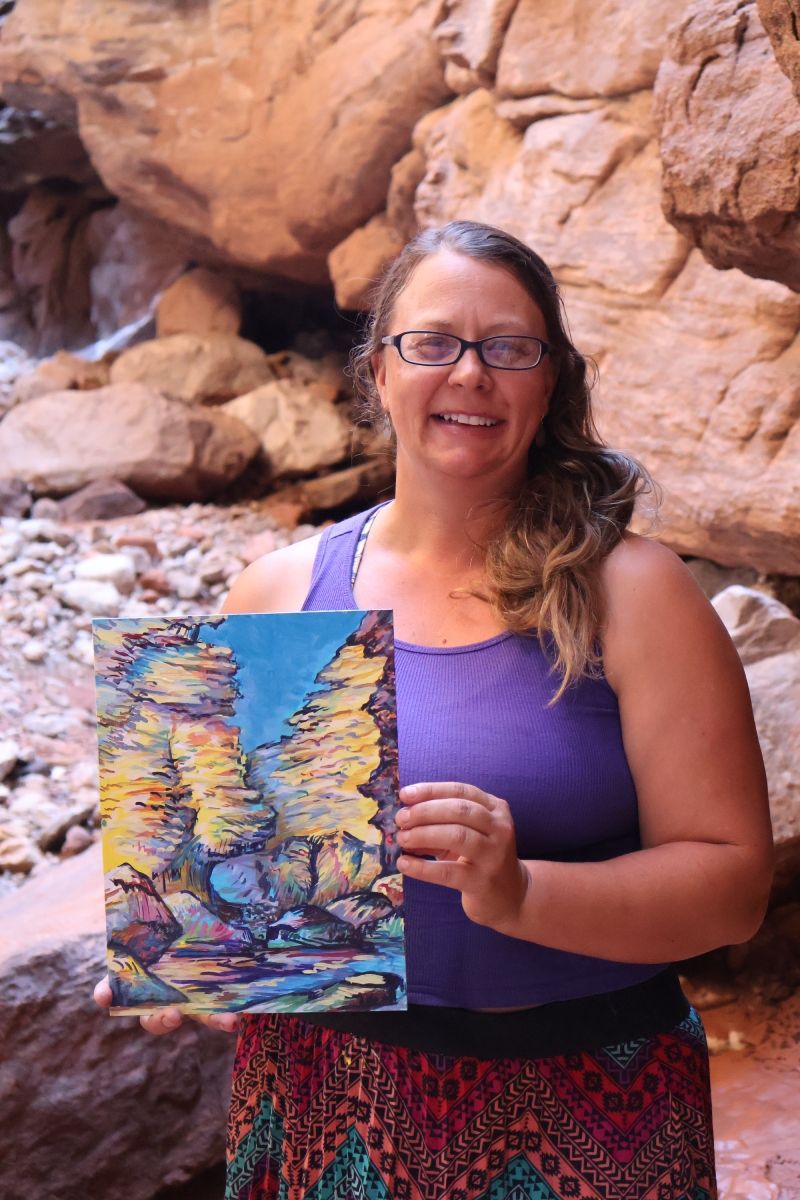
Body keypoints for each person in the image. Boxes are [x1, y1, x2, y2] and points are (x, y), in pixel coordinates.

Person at [96, 220, 773, 1199]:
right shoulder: (275, 594)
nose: (468, 373)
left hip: (589, 1096)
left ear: (549, 384)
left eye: (507, 348)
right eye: (432, 343)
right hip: (326, 1092)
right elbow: (216, 877)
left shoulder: (632, 592)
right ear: (378, 371)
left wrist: (522, 894)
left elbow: (732, 887)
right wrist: (174, 952)